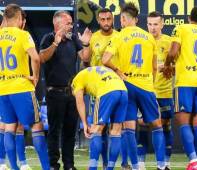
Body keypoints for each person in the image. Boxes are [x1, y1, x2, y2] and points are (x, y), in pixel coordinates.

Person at [102, 2, 166, 170]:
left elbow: (104, 60)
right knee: (157, 125)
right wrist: (150, 83)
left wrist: (118, 70)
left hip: (127, 85)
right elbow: (154, 67)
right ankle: (161, 165)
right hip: (146, 85)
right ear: (136, 20)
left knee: (129, 129)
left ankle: (136, 166)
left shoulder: (118, 36)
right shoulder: (149, 37)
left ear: (123, 19)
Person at [39, 10, 91, 170]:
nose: (71, 25)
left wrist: (86, 43)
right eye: (68, 23)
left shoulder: (74, 38)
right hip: (54, 92)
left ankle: (69, 165)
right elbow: (41, 58)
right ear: (58, 23)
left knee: (70, 132)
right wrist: (55, 42)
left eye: (71, 22)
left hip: (71, 93)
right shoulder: (48, 38)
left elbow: (85, 58)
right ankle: (54, 165)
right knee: (54, 131)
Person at [0, 4, 50, 170]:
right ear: (20, 18)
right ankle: (45, 167)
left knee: (9, 128)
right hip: (21, 87)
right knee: (36, 125)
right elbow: (35, 58)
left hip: (3, 88)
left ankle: (13, 167)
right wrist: (35, 77)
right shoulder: (23, 35)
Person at [163, 6, 197, 170]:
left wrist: (167, 65)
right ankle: (196, 159)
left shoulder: (181, 28)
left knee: (183, 121)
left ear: (190, 17)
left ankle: (193, 161)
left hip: (184, 81)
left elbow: (173, 51)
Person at [71, 66, 128, 170]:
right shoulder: (92, 72)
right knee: (116, 132)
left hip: (106, 91)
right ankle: (109, 168)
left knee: (96, 130)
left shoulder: (76, 80)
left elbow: (80, 102)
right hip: (123, 90)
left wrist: (84, 124)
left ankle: (92, 168)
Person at [136, 11, 173, 170]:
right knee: (143, 123)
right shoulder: (142, 41)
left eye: (156, 24)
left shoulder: (170, 42)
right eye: (150, 24)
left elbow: (178, 65)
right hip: (146, 89)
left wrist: (169, 68)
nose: (153, 28)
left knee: (165, 125)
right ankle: (141, 161)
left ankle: (166, 162)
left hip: (164, 91)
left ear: (162, 24)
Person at [85, 8, 120, 170]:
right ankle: (100, 163)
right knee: (99, 127)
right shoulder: (94, 38)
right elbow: (86, 60)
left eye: (108, 19)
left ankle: (111, 165)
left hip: (115, 87)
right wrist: (85, 43)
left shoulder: (119, 37)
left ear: (113, 20)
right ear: (98, 21)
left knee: (116, 128)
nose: (106, 22)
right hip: (97, 90)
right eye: (103, 19)